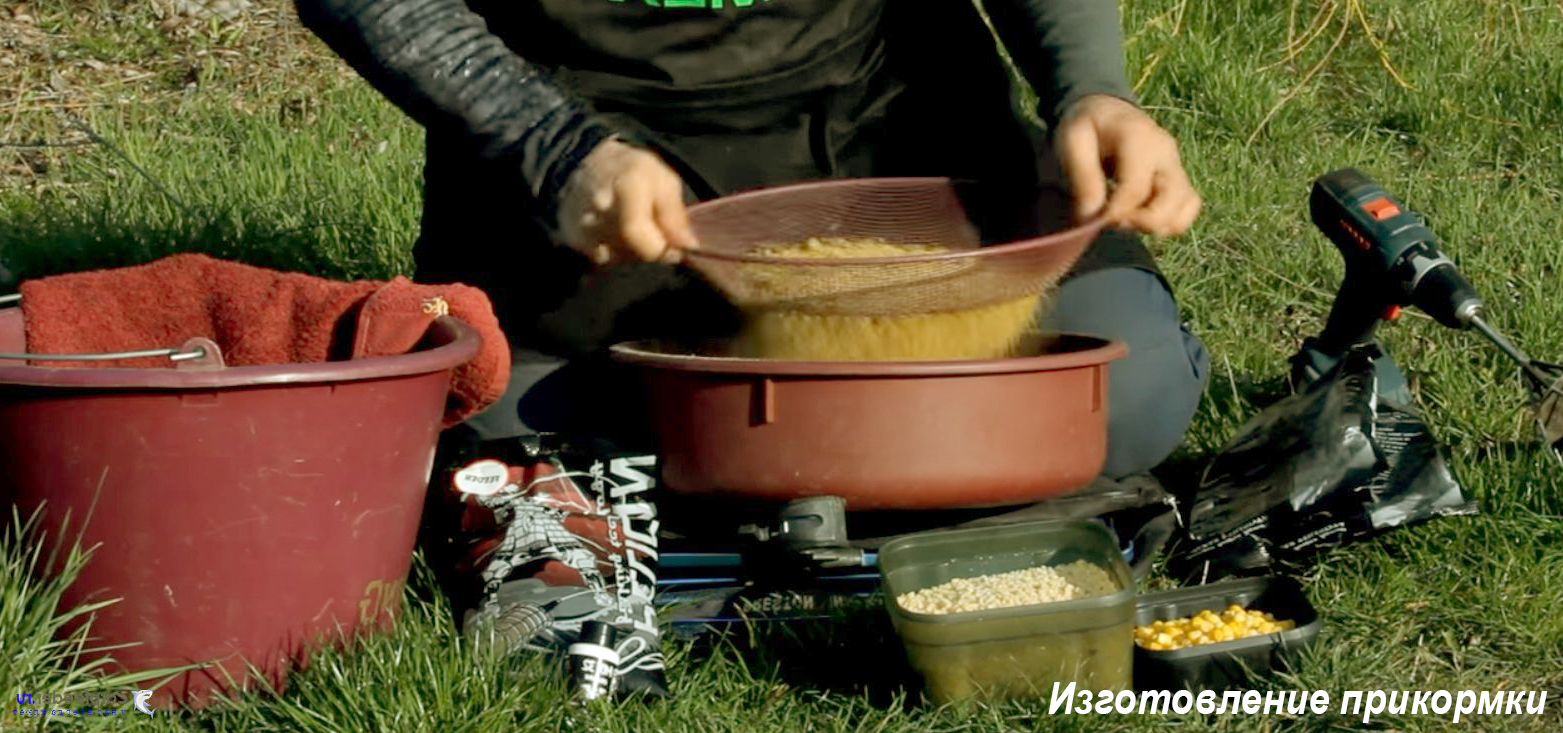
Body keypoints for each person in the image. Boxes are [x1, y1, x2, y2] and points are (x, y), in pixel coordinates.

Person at [296, 0, 1211, 479]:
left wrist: (1092, 90)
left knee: (1128, 398)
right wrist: (549, 144)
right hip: (586, 145)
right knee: (524, 453)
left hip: (885, 115)